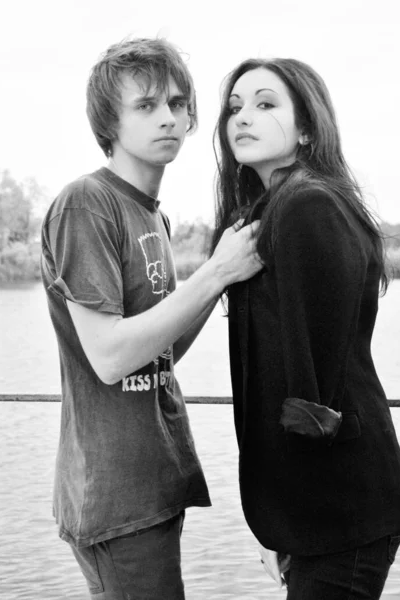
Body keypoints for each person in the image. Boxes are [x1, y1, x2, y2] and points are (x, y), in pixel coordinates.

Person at [40, 37, 262, 600]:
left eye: (177, 104)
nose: (169, 118)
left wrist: (222, 275)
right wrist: (214, 273)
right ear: (109, 123)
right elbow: (111, 357)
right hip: (117, 497)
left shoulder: (151, 215)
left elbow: (158, 349)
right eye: (146, 106)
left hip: (153, 484)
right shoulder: (86, 203)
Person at [211, 57, 400, 599]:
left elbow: (313, 393)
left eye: (265, 103)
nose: (243, 117)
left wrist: (288, 523)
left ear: (306, 128)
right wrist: (280, 525)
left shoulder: (307, 207)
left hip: (339, 509)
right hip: (323, 509)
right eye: (235, 107)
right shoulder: (276, 209)